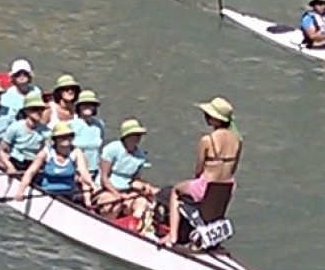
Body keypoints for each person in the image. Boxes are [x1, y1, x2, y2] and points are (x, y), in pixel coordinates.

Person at [163, 96, 241, 245]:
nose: (206, 117)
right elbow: (233, 168)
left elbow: (199, 169)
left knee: (175, 191)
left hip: (206, 186)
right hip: (226, 188)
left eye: (208, 115)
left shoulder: (208, 140)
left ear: (215, 119)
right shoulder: (237, 140)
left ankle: (172, 236)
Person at [94, 118, 156, 231]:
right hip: (106, 189)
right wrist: (117, 194)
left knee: (142, 203)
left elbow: (135, 179)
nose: (137, 138)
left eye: (139, 135)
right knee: (113, 204)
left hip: (127, 192)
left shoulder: (140, 155)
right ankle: (106, 226)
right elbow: (104, 178)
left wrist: (145, 187)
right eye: (135, 134)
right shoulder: (112, 149)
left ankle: (133, 227)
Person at [17, 120, 92, 202]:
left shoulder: (77, 152)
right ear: (55, 139)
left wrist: (93, 189)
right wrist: (21, 191)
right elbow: (31, 172)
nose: (66, 139)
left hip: (69, 193)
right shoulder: (45, 153)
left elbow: (84, 174)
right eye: (62, 136)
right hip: (47, 192)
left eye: (69, 136)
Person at [0, 94, 51, 176]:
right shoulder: (15, 127)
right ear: (26, 111)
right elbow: (2, 150)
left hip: (33, 165)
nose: (39, 112)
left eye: (41, 109)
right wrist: (9, 166)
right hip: (15, 162)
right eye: (35, 109)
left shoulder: (47, 132)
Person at [71, 90, 105, 157]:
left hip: (95, 166)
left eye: (91, 104)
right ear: (79, 107)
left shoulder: (100, 124)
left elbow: (101, 149)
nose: (87, 106)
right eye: (84, 104)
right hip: (78, 166)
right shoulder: (71, 125)